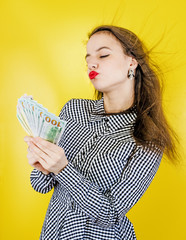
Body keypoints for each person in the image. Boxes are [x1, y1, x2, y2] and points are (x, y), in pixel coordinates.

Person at [24, 25, 178, 240]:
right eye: (87, 59)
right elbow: (40, 186)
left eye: (103, 55)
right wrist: (43, 167)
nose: (91, 63)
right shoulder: (73, 110)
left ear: (131, 62)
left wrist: (63, 169)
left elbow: (111, 213)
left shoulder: (147, 138)